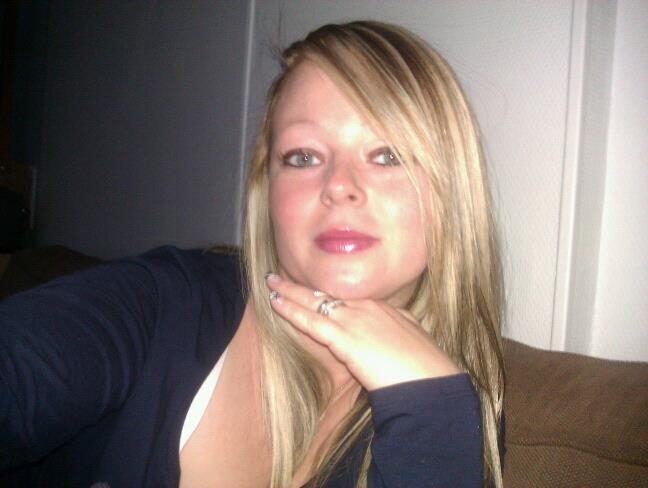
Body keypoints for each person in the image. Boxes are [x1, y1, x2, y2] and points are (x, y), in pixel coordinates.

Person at [0, 21, 504, 487]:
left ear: (452, 191)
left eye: (387, 155)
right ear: (268, 187)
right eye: (304, 156)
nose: (339, 185)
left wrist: (430, 405)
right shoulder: (163, 306)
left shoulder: (449, 406)